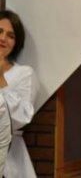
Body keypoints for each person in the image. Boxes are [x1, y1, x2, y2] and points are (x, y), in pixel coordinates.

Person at [0, 9, 40, 178]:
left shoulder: (24, 73)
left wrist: (1, 77)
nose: (3, 38)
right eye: (0, 31)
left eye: (11, 35)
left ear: (16, 43)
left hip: (10, 158)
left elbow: (21, 118)